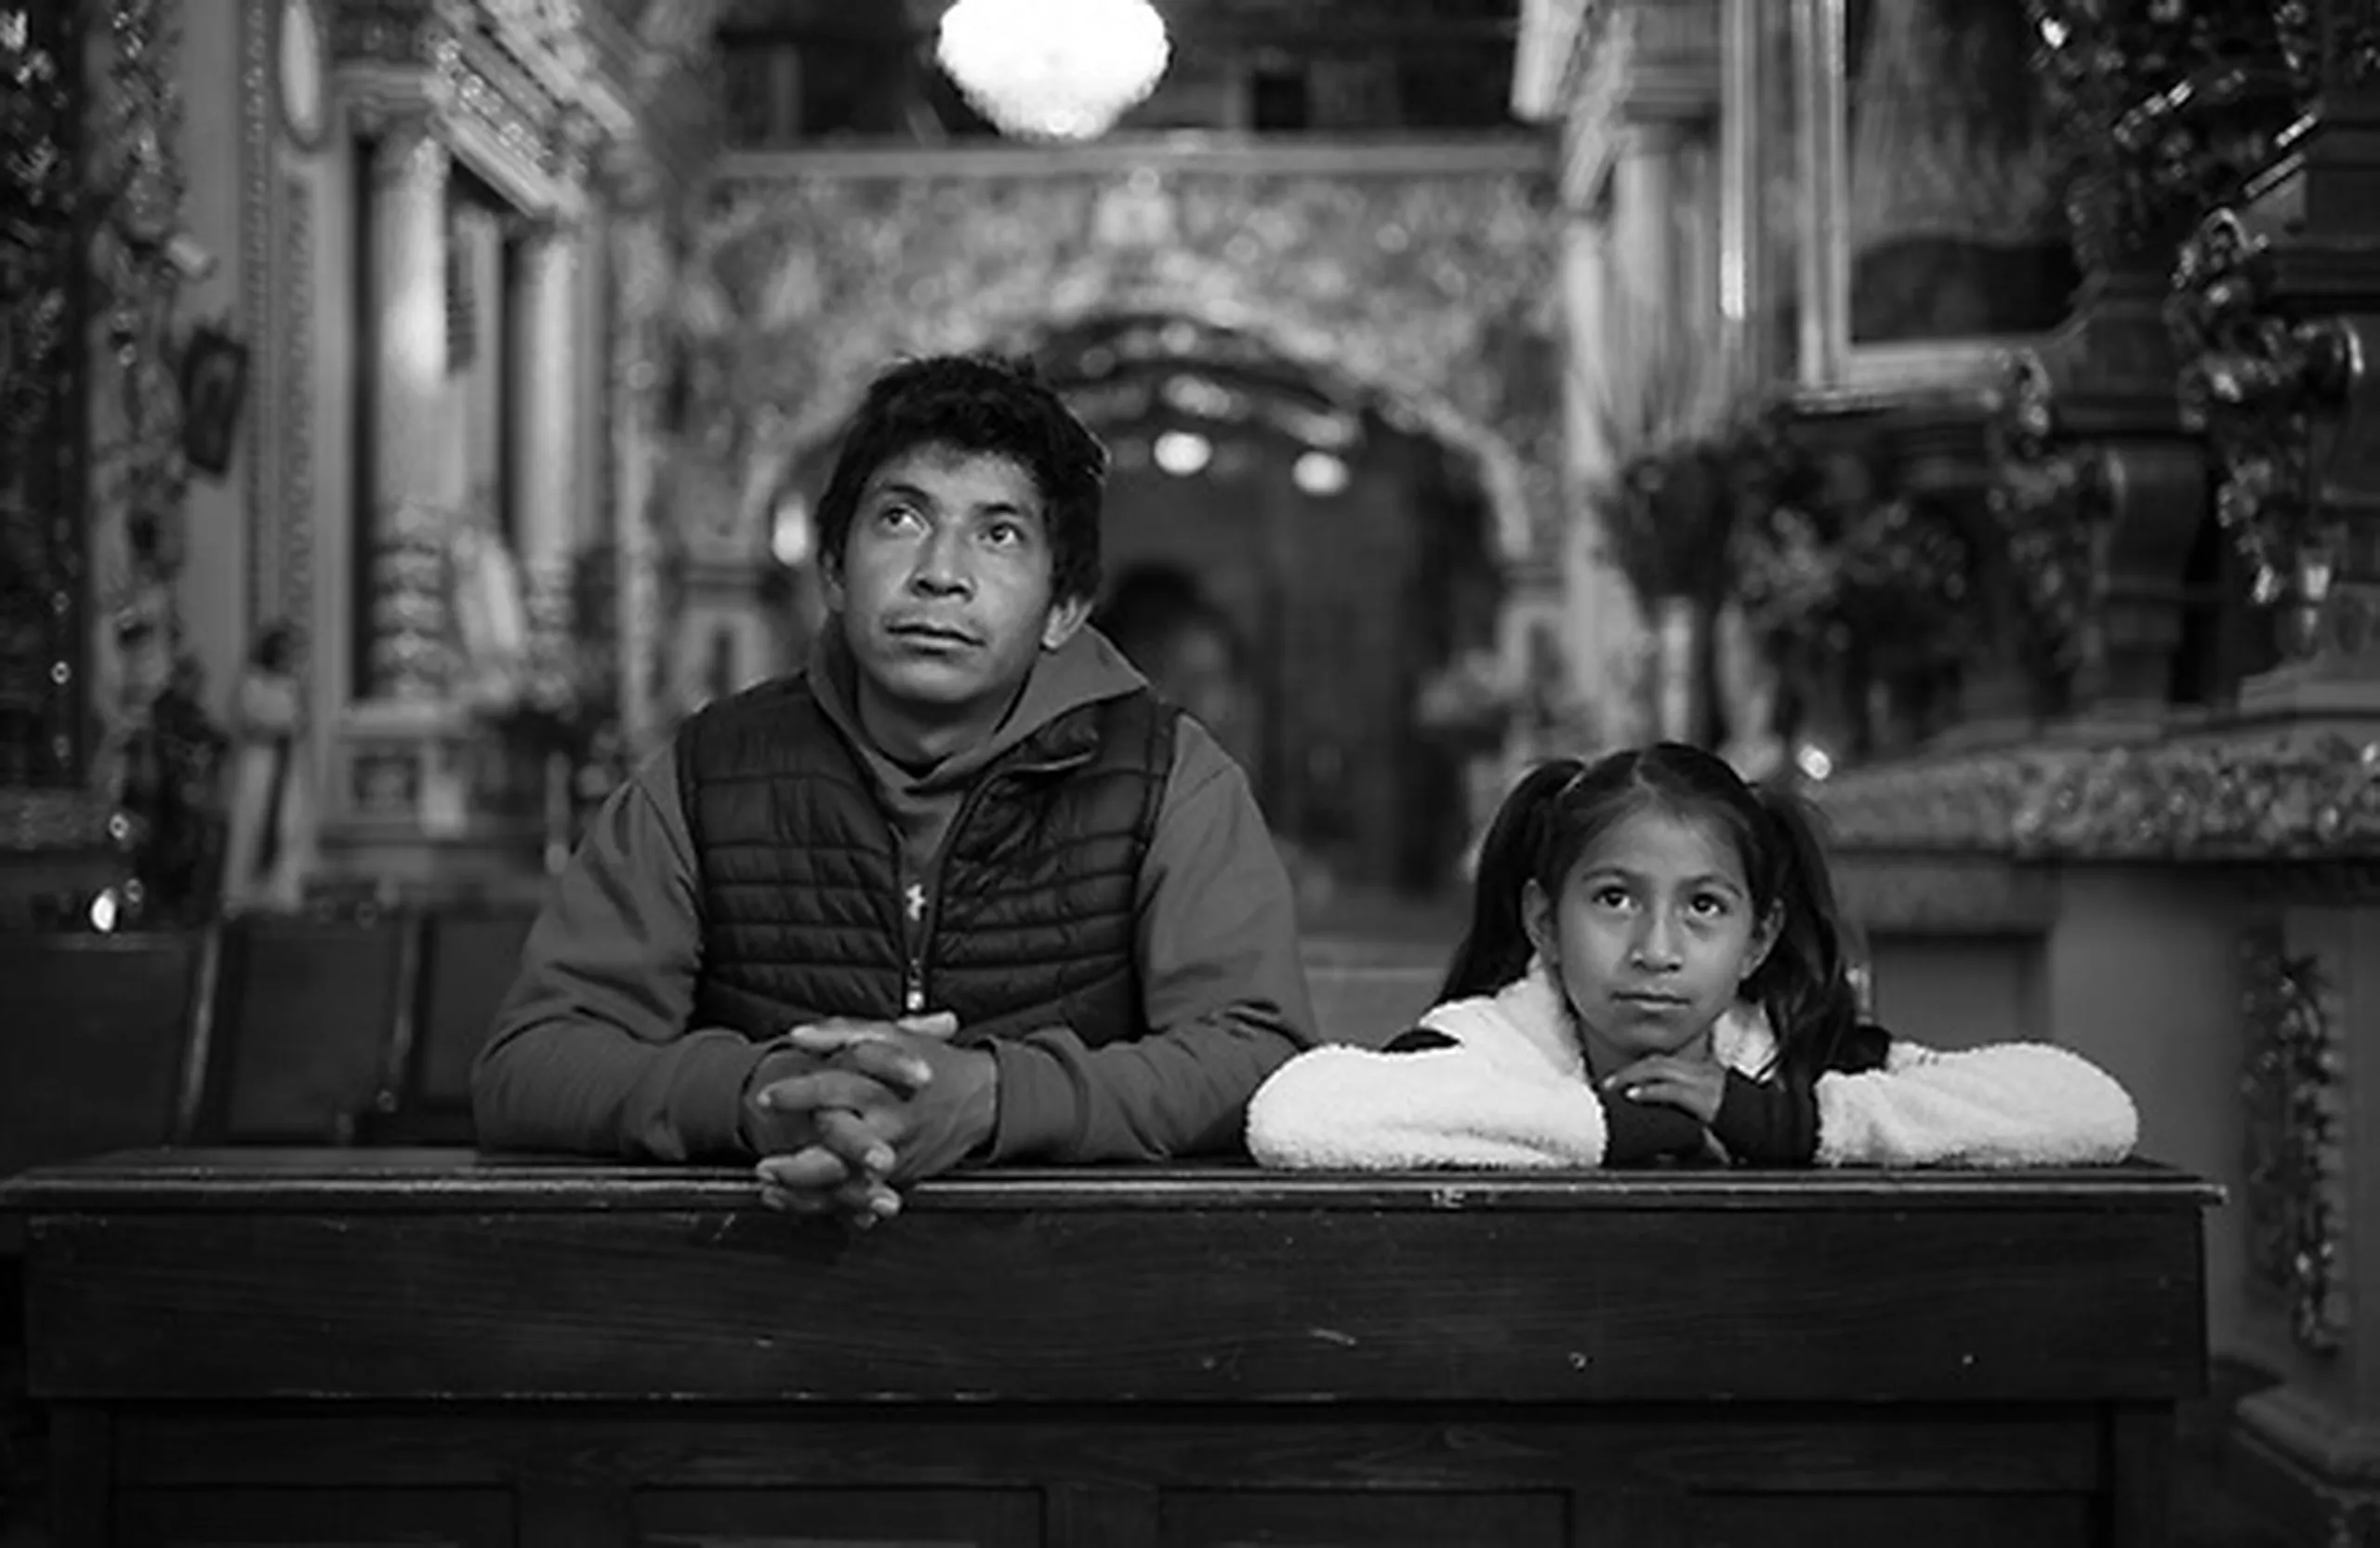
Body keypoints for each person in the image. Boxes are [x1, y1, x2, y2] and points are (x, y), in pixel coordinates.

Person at [474, 353, 1316, 1224]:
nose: (940, 572)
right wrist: (771, 1093)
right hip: (751, 1301)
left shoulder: (1169, 776)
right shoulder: (708, 772)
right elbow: (530, 1065)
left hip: (1082, 1297)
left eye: (999, 534)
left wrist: (989, 1097)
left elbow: (1255, 1059)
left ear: (1064, 607)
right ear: (833, 568)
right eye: (902, 517)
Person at [1246, 743, 2136, 1170]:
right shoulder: (1486, 1048)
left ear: (1757, 939)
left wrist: (1785, 1123)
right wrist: (1613, 1127)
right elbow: (1297, 1115)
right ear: (1544, 923)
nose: (1656, 949)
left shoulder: (1792, 1054)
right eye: (1614, 899)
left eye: (1703, 907)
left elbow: (2091, 1109)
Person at [219, 621, 315, 913]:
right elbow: (251, 721)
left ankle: (282, 894)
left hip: (286, 770)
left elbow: (301, 724)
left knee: (289, 828)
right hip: (259, 766)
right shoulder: (253, 683)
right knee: (251, 826)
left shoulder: (294, 686)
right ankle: (245, 895)